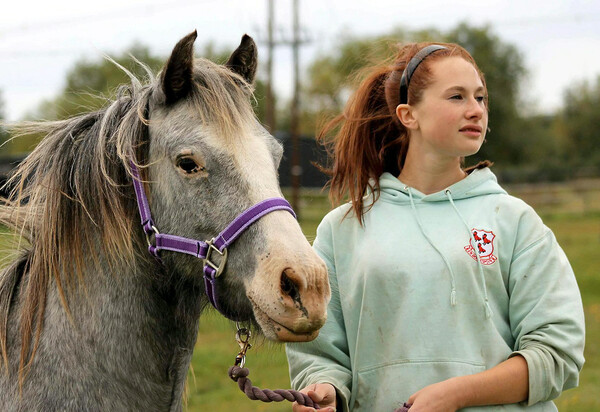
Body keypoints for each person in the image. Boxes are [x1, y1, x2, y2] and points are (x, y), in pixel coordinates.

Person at [285, 42, 585, 412]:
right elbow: (319, 353)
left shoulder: (514, 220)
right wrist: (326, 390)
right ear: (409, 115)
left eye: (480, 97)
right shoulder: (342, 228)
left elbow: (558, 353)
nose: (475, 110)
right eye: (457, 97)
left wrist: (456, 394)